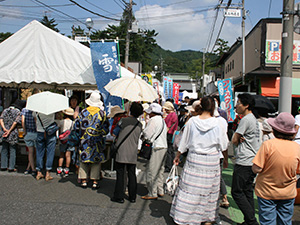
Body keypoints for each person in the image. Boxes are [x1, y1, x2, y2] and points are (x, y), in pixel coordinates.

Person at [170, 97, 229, 225]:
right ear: (213, 108)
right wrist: (225, 159)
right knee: (209, 192)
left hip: (194, 159)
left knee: (190, 189)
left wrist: (178, 155)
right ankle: (207, 218)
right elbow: (224, 145)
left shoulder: (192, 122)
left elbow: (184, 141)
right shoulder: (218, 123)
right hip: (211, 161)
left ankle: (185, 218)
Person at [252, 112, 300, 225]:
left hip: (267, 191)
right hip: (288, 192)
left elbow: (256, 168)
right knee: (285, 221)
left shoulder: (268, 145)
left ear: (274, 129)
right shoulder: (297, 147)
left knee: (268, 221)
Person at [231, 93, 260, 225]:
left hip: (244, 160)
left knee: (236, 192)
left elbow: (234, 139)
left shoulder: (246, 119)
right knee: (247, 190)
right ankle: (248, 220)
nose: (236, 105)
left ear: (246, 105)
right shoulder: (254, 119)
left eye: (238, 103)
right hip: (252, 160)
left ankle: (252, 221)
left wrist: (238, 139)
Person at [75, 92, 109, 189]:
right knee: (96, 161)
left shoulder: (83, 113)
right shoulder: (102, 114)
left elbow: (76, 126)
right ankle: (95, 181)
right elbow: (105, 129)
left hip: (84, 140)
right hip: (97, 141)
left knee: (83, 160)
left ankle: (84, 180)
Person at [110, 102, 143, 204]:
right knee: (132, 174)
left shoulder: (123, 121)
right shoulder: (140, 124)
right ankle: (132, 196)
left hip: (122, 150)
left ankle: (119, 196)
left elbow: (114, 132)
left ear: (130, 111)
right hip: (133, 152)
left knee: (121, 173)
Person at [142, 103, 168, 200]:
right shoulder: (162, 120)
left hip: (156, 147)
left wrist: (143, 132)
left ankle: (152, 192)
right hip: (163, 146)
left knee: (152, 171)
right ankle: (160, 190)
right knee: (160, 170)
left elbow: (148, 134)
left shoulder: (153, 120)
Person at [0, 99, 24, 172]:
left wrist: (4, 129)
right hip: (12, 133)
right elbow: (15, 122)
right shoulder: (18, 112)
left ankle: (3, 165)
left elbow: (1, 119)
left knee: (4, 149)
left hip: (3, 132)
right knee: (12, 149)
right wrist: (9, 130)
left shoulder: (5, 110)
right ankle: (11, 167)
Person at [34, 110, 57, 181]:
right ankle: (48, 173)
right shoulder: (52, 108)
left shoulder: (36, 109)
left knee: (39, 152)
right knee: (50, 152)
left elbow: (35, 119)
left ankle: (39, 172)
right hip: (50, 132)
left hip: (40, 132)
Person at [56, 107, 75, 177]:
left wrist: (58, 137)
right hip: (70, 140)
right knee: (68, 155)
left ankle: (59, 168)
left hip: (62, 140)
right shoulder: (73, 123)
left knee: (61, 154)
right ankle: (67, 169)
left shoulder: (61, 122)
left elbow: (58, 130)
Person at [163, 101, 178, 173]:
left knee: (168, 150)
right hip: (173, 134)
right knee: (171, 150)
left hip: (169, 133)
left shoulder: (170, 115)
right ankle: (172, 164)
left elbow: (167, 126)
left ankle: (168, 166)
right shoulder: (175, 114)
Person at [21, 107, 37, 176]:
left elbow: (22, 121)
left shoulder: (24, 110)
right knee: (36, 152)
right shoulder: (36, 110)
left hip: (28, 133)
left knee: (30, 152)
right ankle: (33, 169)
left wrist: (24, 131)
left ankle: (30, 168)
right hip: (36, 133)